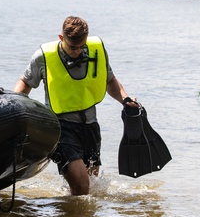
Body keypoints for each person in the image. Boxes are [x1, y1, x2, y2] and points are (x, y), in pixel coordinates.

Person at [14, 16, 137, 195]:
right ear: (61, 38)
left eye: (81, 46)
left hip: (90, 127)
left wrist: (125, 100)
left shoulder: (96, 50)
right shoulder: (44, 56)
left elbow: (110, 81)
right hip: (61, 129)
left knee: (92, 186)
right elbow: (25, 83)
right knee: (82, 186)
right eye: (73, 47)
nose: (77, 51)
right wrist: (16, 111)